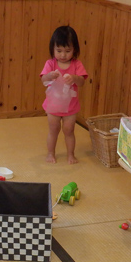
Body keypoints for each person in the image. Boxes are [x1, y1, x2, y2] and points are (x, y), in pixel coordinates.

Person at [39, 25, 88, 164]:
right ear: (53, 49)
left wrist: (74, 78)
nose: (63, 55)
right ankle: (50, 153)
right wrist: (49, 75)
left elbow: (81, 82)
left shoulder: (77, 64)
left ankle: (71, 155)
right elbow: (43, 79)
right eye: (59, 50)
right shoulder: (50, 63)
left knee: (69, 130)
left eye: (68, 51)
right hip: (53, 106)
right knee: (53, 130)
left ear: (75, 50)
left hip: (70, 107)